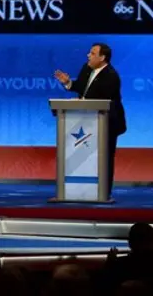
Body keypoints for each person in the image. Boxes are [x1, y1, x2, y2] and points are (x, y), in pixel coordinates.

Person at [54, 43, 126, 197]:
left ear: (102, 57)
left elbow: (102, 100)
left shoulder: (111, 76)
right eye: (89, 52)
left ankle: (104, 193)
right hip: (85, 121)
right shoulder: (86, 68)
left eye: (92, 53)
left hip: (107, 122)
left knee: (105, 157)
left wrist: (81, 101)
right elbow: (81, 89)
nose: (88, 55)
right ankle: (78, 190)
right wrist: (68, 83)